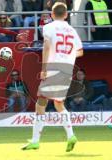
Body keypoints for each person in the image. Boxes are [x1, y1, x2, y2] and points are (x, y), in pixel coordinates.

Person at [22, 2, 83, 151]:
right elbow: (80, 51)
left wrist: (44, 69)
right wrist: (67, 55)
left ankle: (36, 140)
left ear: (52, 14)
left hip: (54, 67)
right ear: (66, 15)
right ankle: (71, 136)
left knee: (40, 103)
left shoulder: (48, 27)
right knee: (58, 104)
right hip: (67, 69)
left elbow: (47, 47)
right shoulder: (72, 30)